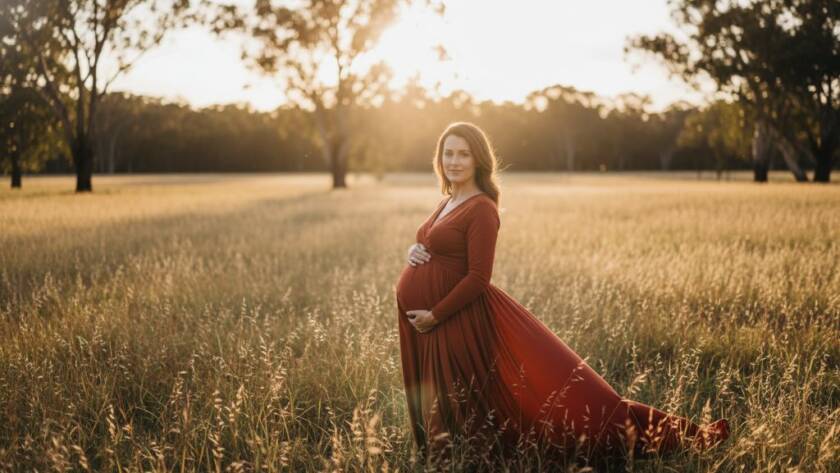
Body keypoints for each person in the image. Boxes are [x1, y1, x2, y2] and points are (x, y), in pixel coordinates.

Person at [394, 122, 729, 467]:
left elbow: (479, 277)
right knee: (445, 396)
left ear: (479, 159)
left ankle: (673, 436)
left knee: (472, 398)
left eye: (463, 154)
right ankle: (451, 458)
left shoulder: (481, 208)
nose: (454, 161)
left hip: (455, 318)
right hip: (431, 322)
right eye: (448, 153)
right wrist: (413, 250)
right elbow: (433, 243)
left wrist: (435, 314)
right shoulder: (449, 200)